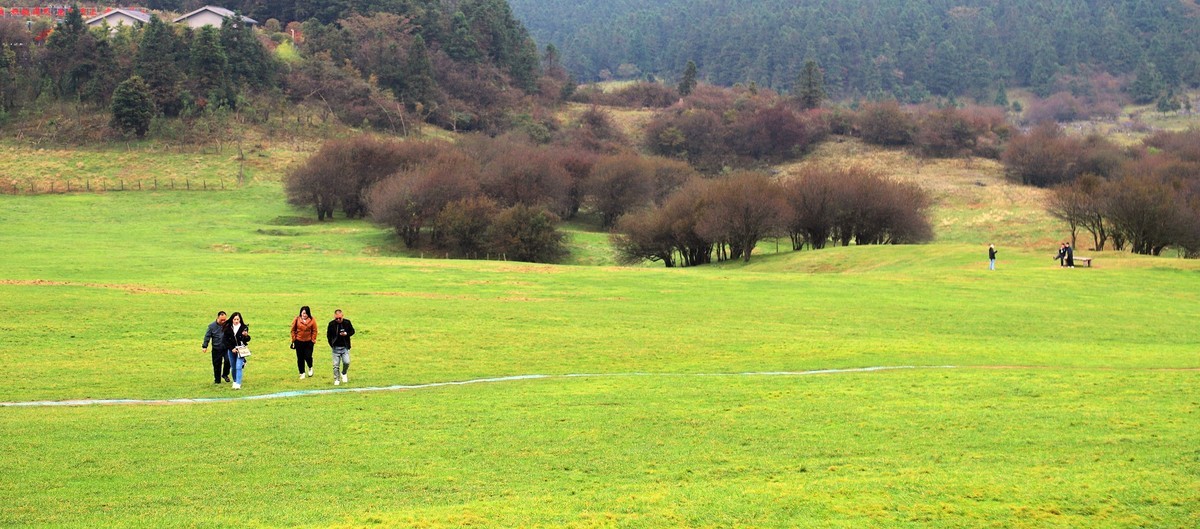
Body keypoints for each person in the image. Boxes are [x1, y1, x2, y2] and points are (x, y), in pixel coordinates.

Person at [222, 312, 251, 390]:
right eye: (235, 319)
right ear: (232, 319)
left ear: (240, 319)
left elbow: (247, 340)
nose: (236, 321)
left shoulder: (244, 327)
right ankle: (235, 381)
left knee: (238, 366)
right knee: (233, 366)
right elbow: (225, 340)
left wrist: (246, 336)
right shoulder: (228, 328)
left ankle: (238, 383)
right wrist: (232, 348)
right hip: (231, 349)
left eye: (238, 319)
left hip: (241, 349)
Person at [201, 311, 231, 384]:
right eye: (222, 320)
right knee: (217, 364)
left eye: (224, 320)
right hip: (216, 349)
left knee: (228, 360)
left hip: (226, 348)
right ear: (218, 318)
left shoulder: (228, 325)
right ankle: (217, 380)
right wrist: (205, 346)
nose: (223, 321)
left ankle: (225, 374)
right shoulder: (211, 326)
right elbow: (207, 336)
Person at [327, 309, 355, 386]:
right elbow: (328, 336)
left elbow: (352, 331)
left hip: (345, 347)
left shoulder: (347, 322)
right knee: (336, 365)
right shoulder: (331, 324)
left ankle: (344, 373)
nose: (338, 320)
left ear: (342, 316)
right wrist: (331, 344)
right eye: (337, 318)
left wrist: (346, 334)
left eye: (340, 318)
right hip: (335, 348)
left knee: (347, 362)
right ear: (334, 317)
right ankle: (337, 379)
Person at [291, 306, 318, 380]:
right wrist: (294, 339)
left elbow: (314, 330)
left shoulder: (312, 320)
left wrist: (313, 340)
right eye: (303, 313)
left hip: (308, 342)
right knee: (300, 358)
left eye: (306, 313)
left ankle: (310, 367)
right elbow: (293, 330)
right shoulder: (297, 319)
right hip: (299, 341)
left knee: (308, 356)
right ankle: (302, 372)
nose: (304, 315)